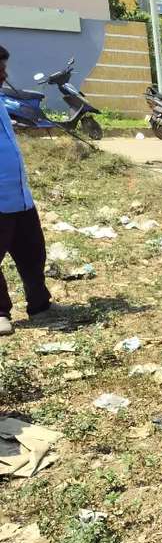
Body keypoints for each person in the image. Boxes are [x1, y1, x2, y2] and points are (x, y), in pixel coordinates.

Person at [0, 44, 52, 336]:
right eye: (0, 69)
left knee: (33, 253)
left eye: (4, 69)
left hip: (19, 197)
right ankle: (0, 313)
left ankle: (40, 304)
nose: (5, 75)